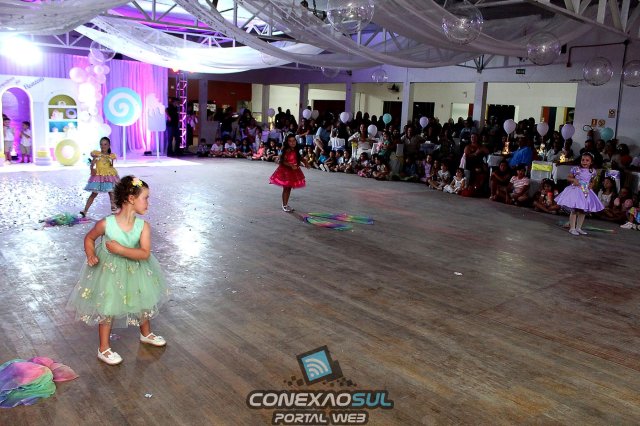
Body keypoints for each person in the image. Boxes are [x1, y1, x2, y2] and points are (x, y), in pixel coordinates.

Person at [67, 176, 169, 365]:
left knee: (142, 299)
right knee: (108, 305)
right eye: (145, 198)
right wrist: (90, 254)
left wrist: (121, 250)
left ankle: (146, 333)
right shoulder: (106, 224)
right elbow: (89, 238)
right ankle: (103, 348)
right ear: (131, 199)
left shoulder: (143, 226)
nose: (148, 203)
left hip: (136, 270)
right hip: (110, 272)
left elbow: (144, 253)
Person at [555, 153, 604, 235]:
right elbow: (568, 177)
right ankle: (572, 228)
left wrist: (592, 184)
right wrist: (574, 180)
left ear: (591, 162)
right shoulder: (576, 169)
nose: (584, 162)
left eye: (587, 160)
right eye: (583, 160)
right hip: (576, 190)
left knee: (583, 211)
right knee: (574, 210)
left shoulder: (592, 171)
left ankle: (578, 228)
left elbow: (593, 180)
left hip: (586, 192)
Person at [80, 137, 119, 217]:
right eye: (101, 144)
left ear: (109, 145)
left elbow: (111, 166)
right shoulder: (97, 154)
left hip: (108, 176)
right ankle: (85, 210)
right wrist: (92, 168)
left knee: (111, 193)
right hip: (99, 176)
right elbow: (92, 165)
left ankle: (114, 210)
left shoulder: (111, 156)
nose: (103, 146)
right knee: (94, 194)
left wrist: (112, 174)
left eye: (105, 144)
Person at [269, 134, 308, 212]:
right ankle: (284, 205)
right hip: (286, 171)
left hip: (293, 171)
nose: (292, 142)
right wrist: (291, 165)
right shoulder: (287, 150)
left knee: (289, 188)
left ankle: (285, 204)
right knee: (286, 188)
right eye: (290, 141)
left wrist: (305, 162)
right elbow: (282, 161)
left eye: (294, 141)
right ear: (287, 142)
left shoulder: (295, 149)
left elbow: (299, 157)